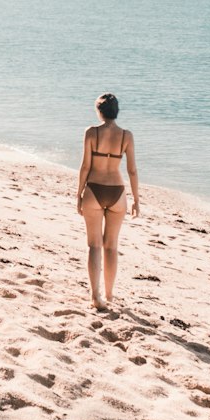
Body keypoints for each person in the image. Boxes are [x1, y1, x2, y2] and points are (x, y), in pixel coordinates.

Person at [76, 92, 140, 310]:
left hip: (94, 188)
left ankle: (95, 296)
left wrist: (78, 193)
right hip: (117, 191)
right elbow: (132, 170)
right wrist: (136, 200)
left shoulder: (91, 132)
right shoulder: (126, 136)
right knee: (111, 246)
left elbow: (85, 166)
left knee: (94, 245)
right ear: (117, 112)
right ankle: (110, 294)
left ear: (99, 111)